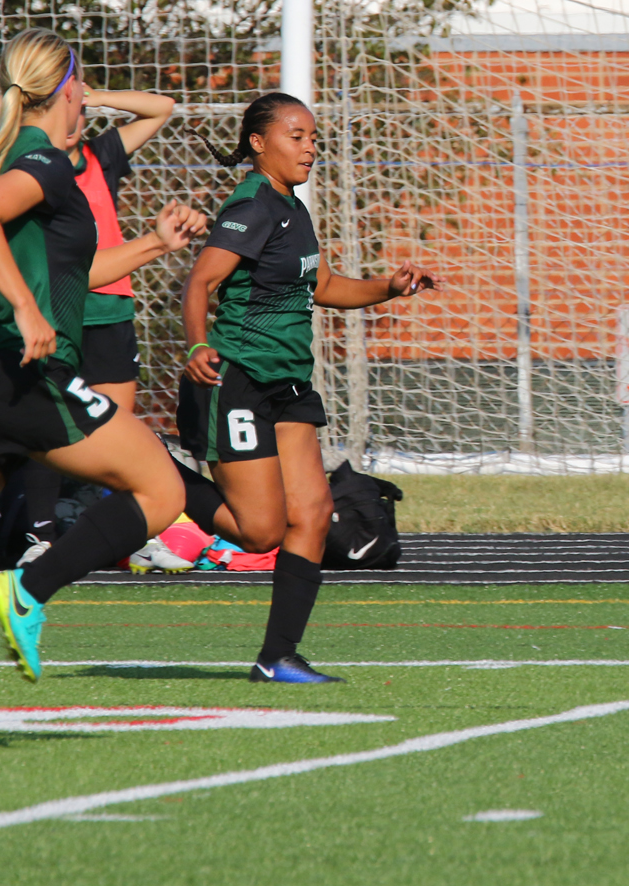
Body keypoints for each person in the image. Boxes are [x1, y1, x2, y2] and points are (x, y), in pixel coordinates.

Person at [0, 28, 208, 681]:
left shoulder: (33, 157)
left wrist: (155, 243)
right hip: (28, 374)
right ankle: (28, 591)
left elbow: (76, 273)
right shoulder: (45, 162)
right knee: (161, 487)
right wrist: (26, 308)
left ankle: (24, 589)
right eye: (82, 83)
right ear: (66, 90)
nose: (86, 96)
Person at [179, 92, 440, 684]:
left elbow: (322, 286)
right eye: (296, 136)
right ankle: (155, 474)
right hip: (242, 378)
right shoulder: (252, 205)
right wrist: (197, 346)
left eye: (313, 138)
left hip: (289, 384)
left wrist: (388, 287)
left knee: (315, 513)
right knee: (260, 531)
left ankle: (277, 657)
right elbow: (200, 282)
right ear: (258, 143)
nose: (309, 148)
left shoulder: (293, 207)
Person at [0, 75, 194, 574]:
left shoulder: (93, 157)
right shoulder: (35, 161)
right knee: (131, 471)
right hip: (33, 333)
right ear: (58, 99)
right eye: (73, 95)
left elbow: (162, 105)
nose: (78, 112)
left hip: (90, 316)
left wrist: (90, 96)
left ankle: (122, 536)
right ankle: (41, 545)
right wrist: (30, 93)